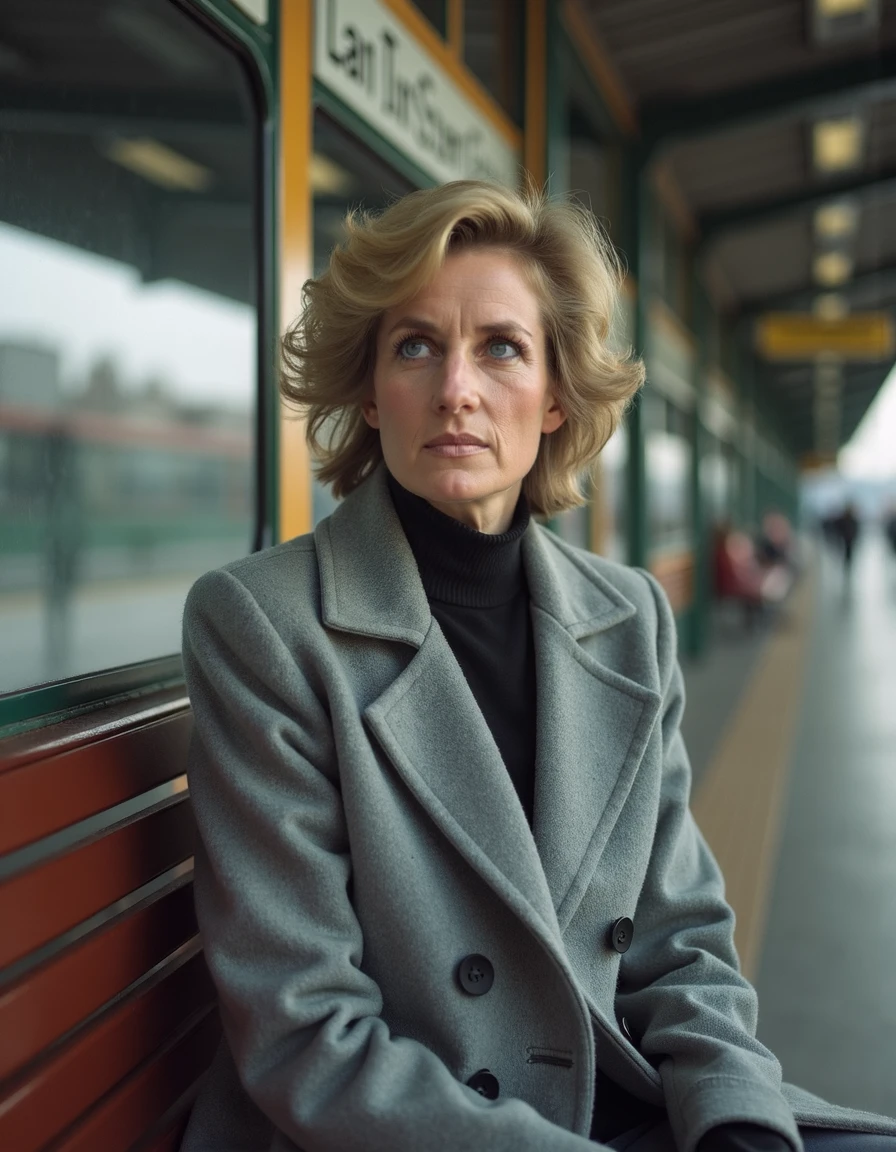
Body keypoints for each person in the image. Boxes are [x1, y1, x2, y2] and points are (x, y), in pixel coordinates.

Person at [179, 182, 896, 1152]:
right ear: (366, 388)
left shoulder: (626, 617)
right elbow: (308, 1037)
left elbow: (679, 943)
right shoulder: (265, 626)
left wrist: (735, 1122)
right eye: (415, 346)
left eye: (501, 348)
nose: (456, 390)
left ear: (556, 397)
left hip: (617, 1099)